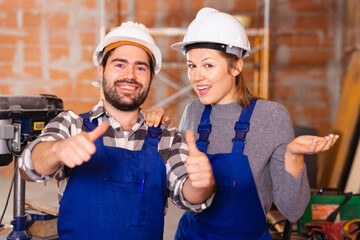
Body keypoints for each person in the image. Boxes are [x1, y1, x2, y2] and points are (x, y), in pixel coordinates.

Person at [145, 7, 339, 240]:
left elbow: (293, 211)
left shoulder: (272, 116)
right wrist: (156, 132)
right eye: (191, 65)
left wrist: (294, 156)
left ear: (236, 66)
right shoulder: (193, 111)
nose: (196, 76)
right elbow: (181, 193)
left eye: (208, 65)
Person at [19, 21, 215, 240]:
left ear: (150, 77)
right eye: (120, 65)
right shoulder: (71, 125)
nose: (130, 75)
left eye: (140, 67)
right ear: (102, 70)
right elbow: (29, 167)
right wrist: (56, 150)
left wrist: (202, 184)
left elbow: (190, 196)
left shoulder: (167, 139)